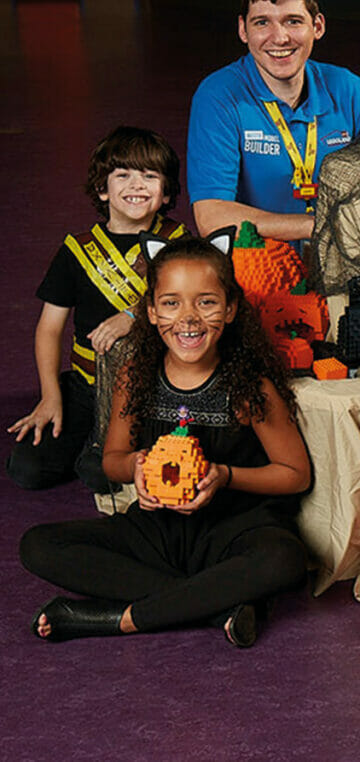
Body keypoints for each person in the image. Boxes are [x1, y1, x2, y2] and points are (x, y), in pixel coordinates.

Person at [20, 231, 311, 647]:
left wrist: (224, 476)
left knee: (285, 560)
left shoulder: (250, 386)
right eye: (171, 303)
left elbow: (295, 474)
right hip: (157, 528)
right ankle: (216, 604)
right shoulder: (136, 376)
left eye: (206, 302)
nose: (188, 318)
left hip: (235, 529)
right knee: (38, 545)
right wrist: (135, 468)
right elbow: (113, 460)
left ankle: (114, 618)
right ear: (152, 312)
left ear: (229, 310)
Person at [6, 127, 187, 492]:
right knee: (27, 469)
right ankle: (91, 436)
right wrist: (50, 397)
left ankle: (99, 446)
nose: (137, 185)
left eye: (150, 176)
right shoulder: (76, 251)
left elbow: (189, 308)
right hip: (86, 384)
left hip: (151, 386)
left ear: (166, 192)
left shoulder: (180, 245)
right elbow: (49, 329)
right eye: (123, 175)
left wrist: (134, 316)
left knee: (103, 475)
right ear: (103, 189)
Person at [187, 0, 360, 242]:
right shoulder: (219, 96)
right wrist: (319, 227)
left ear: (317, 26)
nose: (279, 38)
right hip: (260, 268)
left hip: (344, 256)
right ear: (243, 30)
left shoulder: (347, 87)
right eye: (262, 23)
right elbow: (212, 216)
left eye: (293, 21)